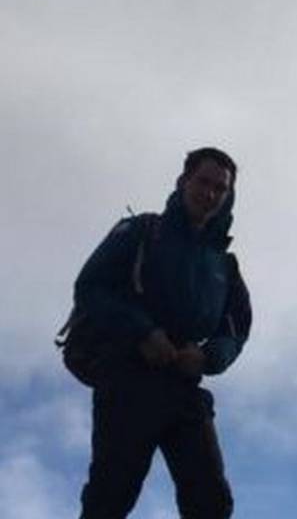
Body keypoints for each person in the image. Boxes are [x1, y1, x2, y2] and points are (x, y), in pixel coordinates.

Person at [72, 147, 250, 519]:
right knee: (111, 494)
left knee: (211, 501)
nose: (210, 194)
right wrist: (143, 332)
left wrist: (210, 356)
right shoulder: (142, 231)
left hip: (184, 386)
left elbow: (237, 328)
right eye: (203, 182)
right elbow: (90, 287)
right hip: (126, 377)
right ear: (183, 182)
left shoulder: (224, 264)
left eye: (220, 188)